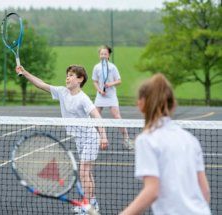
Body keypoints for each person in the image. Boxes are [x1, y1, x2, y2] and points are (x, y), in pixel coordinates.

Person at [16, 64, 108, 214]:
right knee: (86, 172)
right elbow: (41, 84)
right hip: (79, 139)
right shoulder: (62, 92)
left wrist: (103, 136)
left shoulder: (83, 99)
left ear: (80, 79)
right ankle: (91, 203)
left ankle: (90, 205)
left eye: (71, 75)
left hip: (90, 137)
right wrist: (25, 72)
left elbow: (97, 116)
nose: (67, 77)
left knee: (84, 172)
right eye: (67, 74)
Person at [119, 73, 211, 215]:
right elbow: (204, 192)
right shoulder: (190, 139)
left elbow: (152, 191)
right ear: (173, 104)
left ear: (141, 104)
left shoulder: (146, 140)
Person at [92, 45, 133, 150]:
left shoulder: (112, 67)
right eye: (101, 54)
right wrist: (99, 90)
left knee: (117, 117)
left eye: (105, 54)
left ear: (108, 55)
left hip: (111, 96)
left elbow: (119, 81)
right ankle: (99, 139)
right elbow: (95, 82)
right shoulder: (96, 67)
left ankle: (126, 139)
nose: (103, 56)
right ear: (99, 55)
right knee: (96, 117)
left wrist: (110, 84)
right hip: (100, 96)